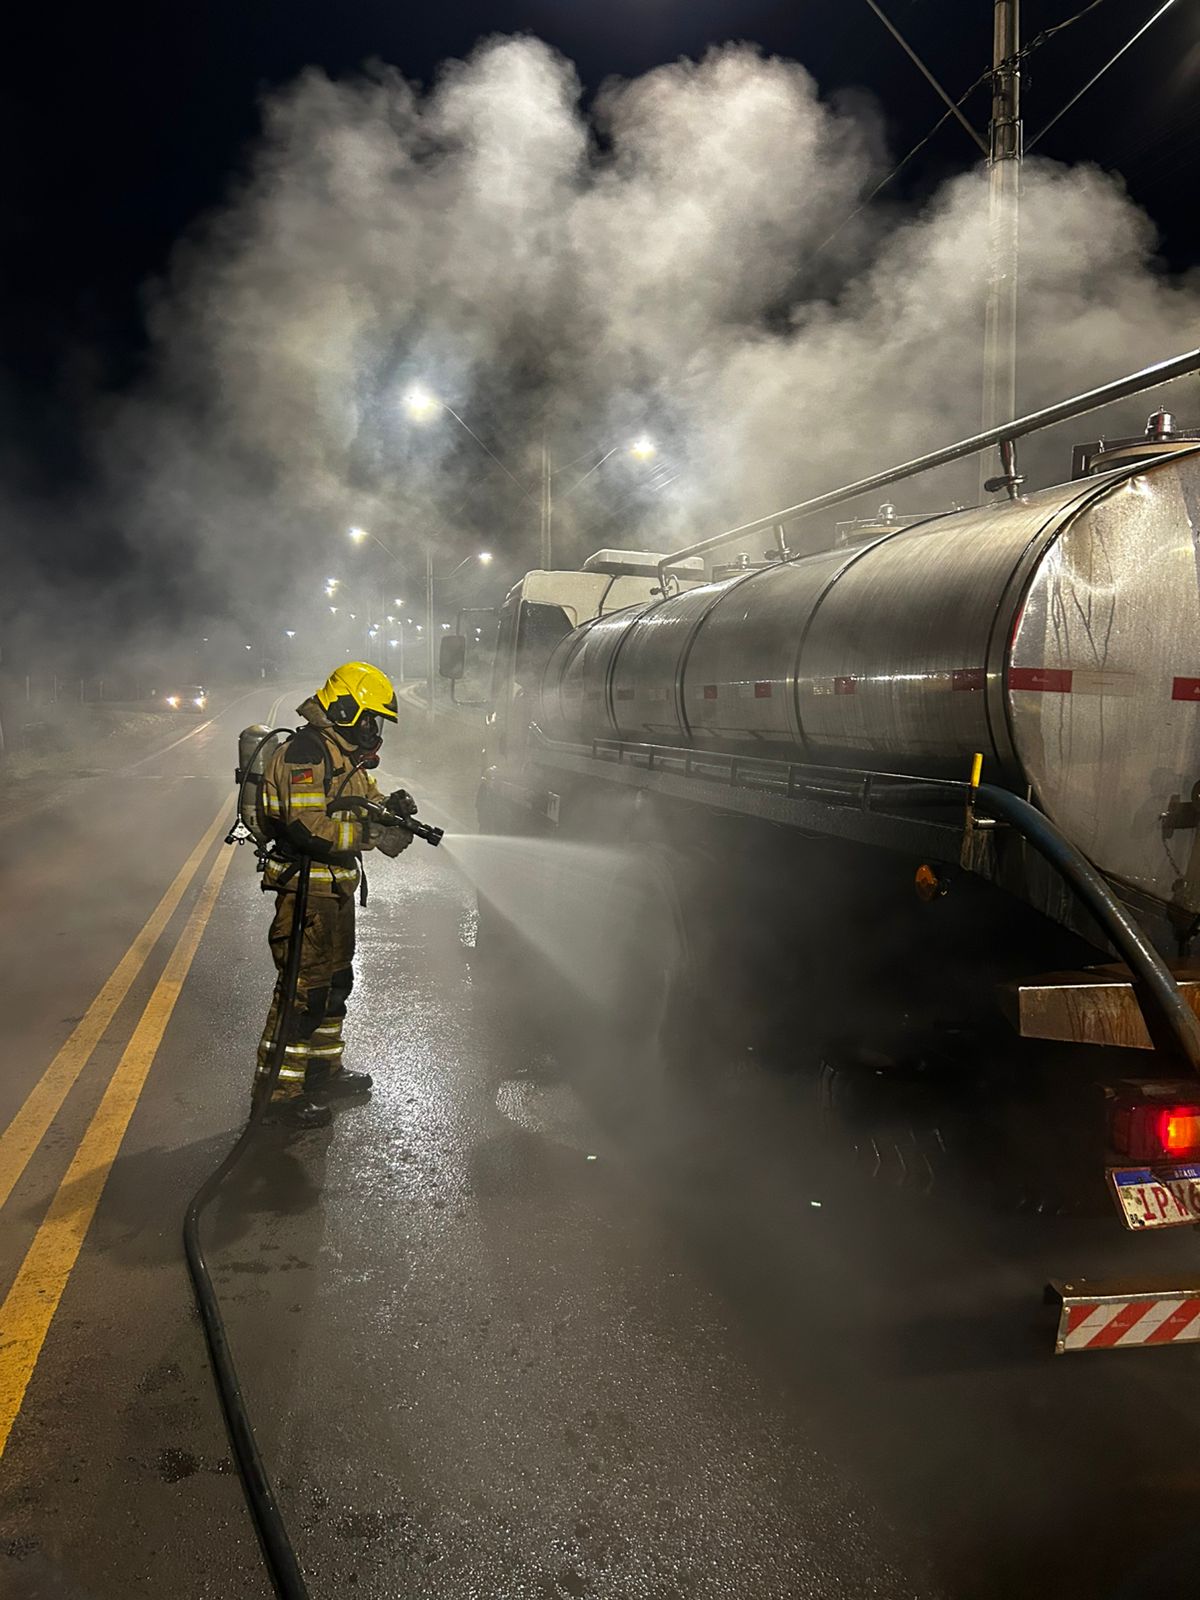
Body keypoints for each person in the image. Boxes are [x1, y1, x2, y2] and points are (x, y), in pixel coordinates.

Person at [256, 661, 415, 1129]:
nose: (373, 729)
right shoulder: (305, 751)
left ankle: (322, 1071)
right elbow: (309, 827)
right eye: (369, 718)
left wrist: (391, 809)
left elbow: (358, 798)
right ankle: (278, 1096)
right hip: (307, 890)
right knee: (303, 993)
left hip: (333, 890)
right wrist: (371, 835)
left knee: (335, 985)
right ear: (344, 707)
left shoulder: (340, 753)